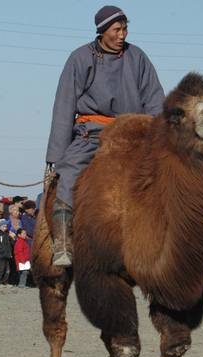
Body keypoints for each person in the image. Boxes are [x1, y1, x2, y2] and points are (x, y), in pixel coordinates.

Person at [46, 5, 165, 266]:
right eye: (117, 30)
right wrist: (56, 155)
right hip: (92, 134)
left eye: (125, 29)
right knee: (68, 176)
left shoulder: (138, 57)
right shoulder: (79, 58)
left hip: (134, 133)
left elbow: (155, 99)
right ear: (102, 32)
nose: (122, 34)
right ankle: (63, 244)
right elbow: (64, 105)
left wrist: (159, 138)